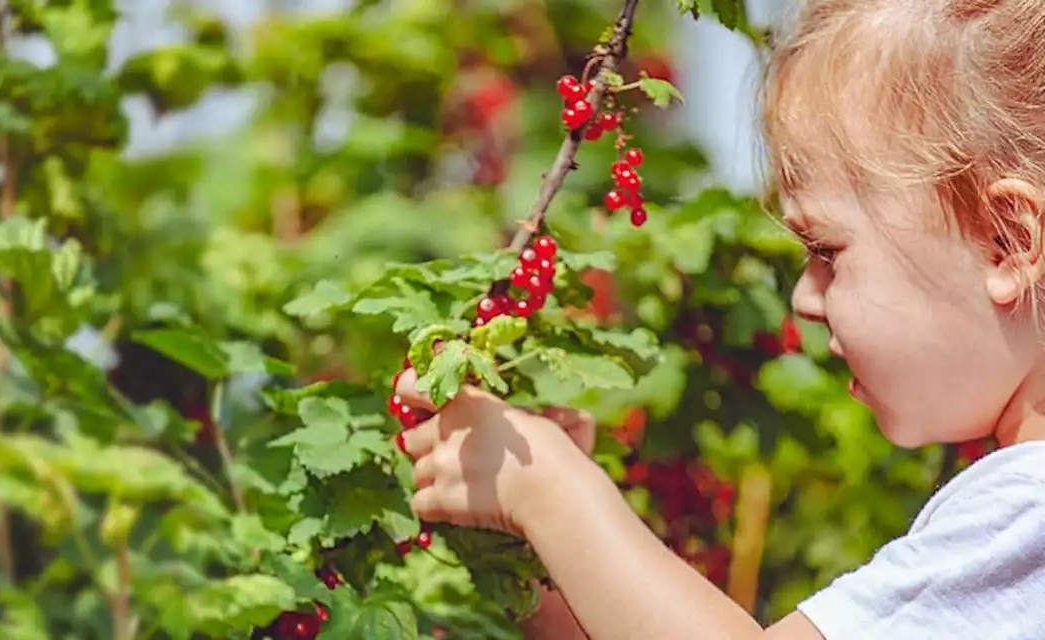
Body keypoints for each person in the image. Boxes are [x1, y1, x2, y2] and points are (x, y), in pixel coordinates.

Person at [392, 0, 1045, 637]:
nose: (804, 299)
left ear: (1007, 242)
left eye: (826, 251)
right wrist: (546, 551)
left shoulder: (1027, 509)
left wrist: (550, 491)